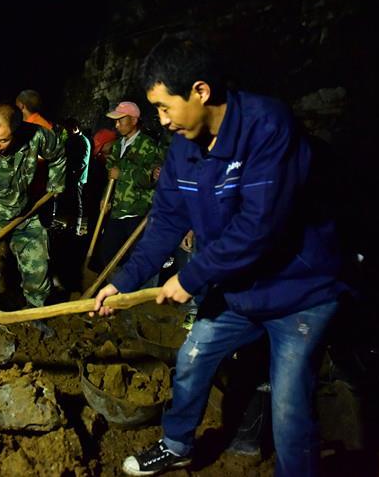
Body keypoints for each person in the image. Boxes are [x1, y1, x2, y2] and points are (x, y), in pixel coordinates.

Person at [93, 34, 346, 477]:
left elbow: (260, 226)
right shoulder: (183, 151)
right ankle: (177, 444)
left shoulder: (268, 127)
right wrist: (124, 281)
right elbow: (165, 223)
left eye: (164, 107)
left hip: (299, 291)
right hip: (237, 291)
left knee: (289, 404)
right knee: (193, 357)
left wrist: (190, 279)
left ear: (200, 91)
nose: (162, 120)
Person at [0, 104, 65, 324]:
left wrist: (56, 183)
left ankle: (35, 315)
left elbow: (58, 153)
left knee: (38, 268)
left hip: (26, 212)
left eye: (3, 140)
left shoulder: (35, 135)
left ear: (17, 131)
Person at [96, 101, 161, 271]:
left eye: (120, 120)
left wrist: (122, 174)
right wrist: (106, 197)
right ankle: (112, 291)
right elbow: (111, 175)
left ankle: (129, 294)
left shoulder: (148, 145)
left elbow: (149, 178)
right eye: (115, 121)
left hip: (137, 212)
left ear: (133, 120)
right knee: (108, 255)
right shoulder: (118, 145)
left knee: (135, 260)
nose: (116, 125)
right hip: (117, 211)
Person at [60, 117, 91, 235]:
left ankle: (76, 229)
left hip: (78, 178)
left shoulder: (83, 141)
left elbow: (83, 161)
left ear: (75, 128)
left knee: (77, 203)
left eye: (68, 129)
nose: (67, 131)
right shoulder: (70, 139)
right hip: (69, 175)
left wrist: (74, 172)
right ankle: (69, 225)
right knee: (69, 202)